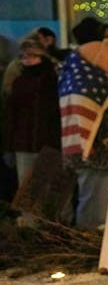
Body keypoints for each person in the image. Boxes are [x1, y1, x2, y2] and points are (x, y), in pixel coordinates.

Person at [59, 34, 108, 229]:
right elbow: (85, 124)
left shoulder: (102, 82)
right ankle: (89, 249)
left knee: (105, 210)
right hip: (98, 158)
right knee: (96, 212)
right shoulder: (86, 86)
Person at [2, 34, 61, 220]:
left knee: (49, 189)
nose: (28, 60)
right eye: (24, 57)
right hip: (26, 143)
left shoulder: (52, 81)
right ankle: (31, 230)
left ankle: (48, 228)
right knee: (28, 191)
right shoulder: (20, 82)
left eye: (32, 56)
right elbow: (11, 116)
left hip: (47, 142)